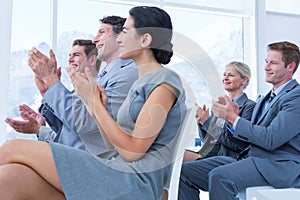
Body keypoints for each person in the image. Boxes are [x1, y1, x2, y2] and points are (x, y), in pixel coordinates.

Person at [0, 6, 186, 200]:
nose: (120, 38)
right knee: (9, 178)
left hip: (133, 183)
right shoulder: (140, 83)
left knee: (11, 148)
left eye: (125, 31)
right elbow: (114, 147)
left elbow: (132, 153)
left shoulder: (164, 82)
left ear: (145, 39)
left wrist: (95, 105)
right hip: (115, 170)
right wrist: (95, 107)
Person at [178, 41, 300, 199]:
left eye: (273, 63)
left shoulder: (295, 97)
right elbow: (248, 143)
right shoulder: (264, 100)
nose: (266, 67)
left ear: (290, 67)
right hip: (251, 159)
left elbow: (271, 139)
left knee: (220, 176)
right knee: (184, 172)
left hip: (278, 166)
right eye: (266, 62)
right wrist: (231, 122)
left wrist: (233, 118)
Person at [26, 16, 138, 154]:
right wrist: (47, 92)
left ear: (121, 36)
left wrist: (51, 80)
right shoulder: (106, 76)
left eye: (102, 32)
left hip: (92, 163)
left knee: (14, 151)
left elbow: (83, 123)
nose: (95, 39)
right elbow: (70, 131)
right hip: (74, 156)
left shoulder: (128, 74)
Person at [5, 39, 100, 138]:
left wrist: (50, 80)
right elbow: (67, 134)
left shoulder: (99, 89)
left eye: (76, 55)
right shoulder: (75, 92)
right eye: (69, 55)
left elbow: (80, 126)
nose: (70, 60)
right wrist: (39, 128)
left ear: (92, 60)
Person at [183, 61, 255, 162]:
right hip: (210, 156)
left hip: (229, 160)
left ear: (244, 80)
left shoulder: (249, 107)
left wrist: (207, 122)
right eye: (224, 74)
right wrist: (202, 122)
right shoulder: (219, 106)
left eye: (231, 75)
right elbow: (209, 141)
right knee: (171, 158)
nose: (225, 78)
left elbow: (237, 144)